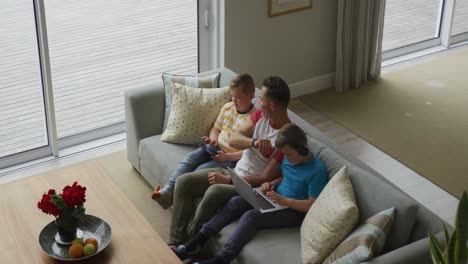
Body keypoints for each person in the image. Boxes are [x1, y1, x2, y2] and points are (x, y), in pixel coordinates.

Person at [171, 124, 329, 264]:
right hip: (276, 198)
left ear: (302, 149)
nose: (285, 158)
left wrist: (285, 201)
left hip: (294, 211)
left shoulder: (317, 171)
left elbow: (311, 205)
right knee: (236, 202)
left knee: (251, 217)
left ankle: (221, 259)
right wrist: (271, 184)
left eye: (288, 154)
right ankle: (197, 241)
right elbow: (285, 176)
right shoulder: (292, 158)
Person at [169, 76, 291, 244]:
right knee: (183, 181)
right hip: (233, 170)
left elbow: (265, 178)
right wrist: (254, 142)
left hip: (247, 187)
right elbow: (234, 139)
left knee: (214, 191)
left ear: (272, 105)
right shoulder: (260, 116)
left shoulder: (286, 138)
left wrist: (229, 180)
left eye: (261, 99)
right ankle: (175, 241)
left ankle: (189, 244)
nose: (258, 102)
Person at [152, 73, 256, 209]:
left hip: (230, 158)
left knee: (200, 171)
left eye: (238, 97)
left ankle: (174, 195)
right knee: (190, 159)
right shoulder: (228, 107)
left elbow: (249, 152)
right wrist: (212, 139)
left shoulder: (254, 119)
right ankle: (168, 189)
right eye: (233, 96)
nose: (234, 100)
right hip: (213, 147)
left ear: (251, 95)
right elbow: (216, 128)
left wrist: (227, 157)